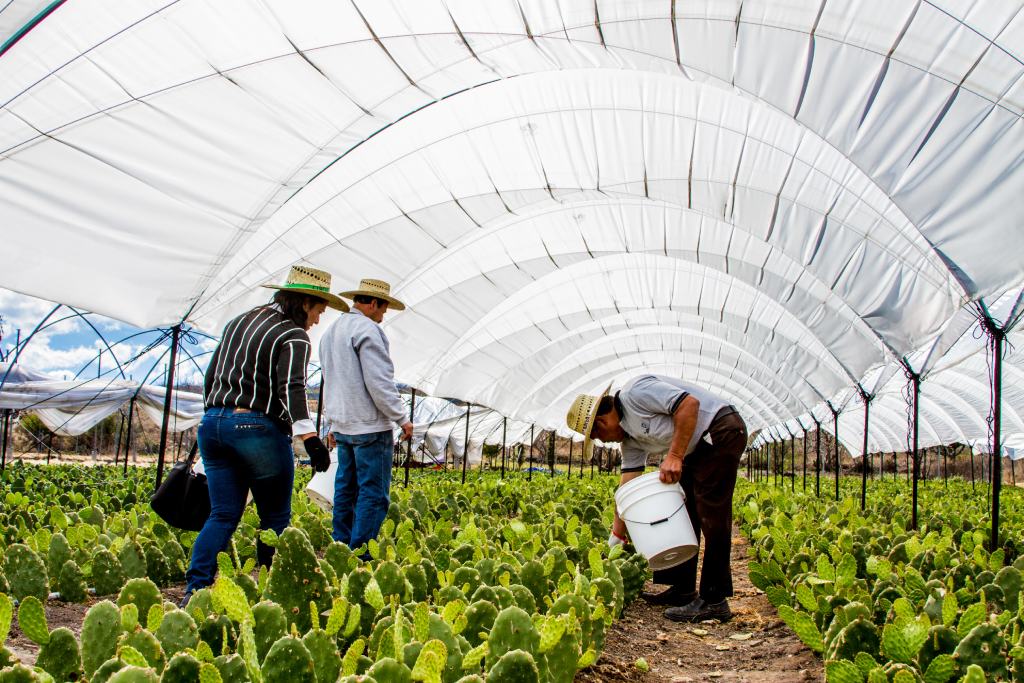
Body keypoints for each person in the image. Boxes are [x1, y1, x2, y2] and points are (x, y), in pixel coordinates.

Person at [183, 266, 343, 603]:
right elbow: (292, 387)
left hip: (212, 424)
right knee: (274, 518)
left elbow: (211, 376)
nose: (316, 321)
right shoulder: (294, 335)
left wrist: (216, 414)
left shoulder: (238, 322)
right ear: (304, 303)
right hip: (257, 428)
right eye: (317, 311)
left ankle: (194, 591)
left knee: (223, 514)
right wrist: (309, 438)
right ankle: (272, 596)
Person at [566, 374, 747, 622]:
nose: (603, 442)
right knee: (683, 510)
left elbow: (689, 405)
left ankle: (715, 600)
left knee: (712, 513)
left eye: (597, 437)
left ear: (601, 423)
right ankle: (683, 589)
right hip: (696, 448)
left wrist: (674, 456)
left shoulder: (636, 393)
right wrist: (616, 537)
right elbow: (626, 490)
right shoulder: (630, 442)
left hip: (719, 430)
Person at [319, 278, 413, 556]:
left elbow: (331, 381)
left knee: (345, 489)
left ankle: (340, 547)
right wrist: (401, 418)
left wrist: (332, 423)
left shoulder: (331, 331)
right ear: (373, 304)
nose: (383, 317)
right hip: (370, 427)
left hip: (344, 426)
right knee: (373, 493)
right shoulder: (368, 330)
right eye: (383, 310)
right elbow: (379, 382)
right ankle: (361, 554)